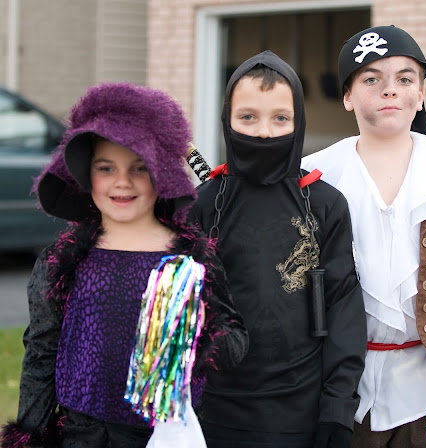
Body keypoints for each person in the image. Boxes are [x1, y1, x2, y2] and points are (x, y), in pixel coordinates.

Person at [0, 82, 248, 448]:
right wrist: (30, 435)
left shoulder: (189, 258)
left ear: (161, 175)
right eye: (106, 168)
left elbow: (235, 340)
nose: (121, 182)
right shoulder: (64, 259)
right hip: (80, 436)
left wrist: (194, 328)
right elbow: (41, 352)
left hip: (163, 437)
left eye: (138, 168)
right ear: (87, 175)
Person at [301, 25, 426, 448]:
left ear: (421, 94)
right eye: (371, 79)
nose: (389, 90)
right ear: (347, 96)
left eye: (404, 79)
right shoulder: (313, 179)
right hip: (334, 387)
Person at [188, 50, 367, 448]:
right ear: (227, 121)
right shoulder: (201, 205)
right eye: (247, 117)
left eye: (280, 118)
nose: (265, 132)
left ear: (298, 121)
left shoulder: (324, 204)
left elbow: (343, 310)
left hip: (299, 412)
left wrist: (337, 408)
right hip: (211, 411)